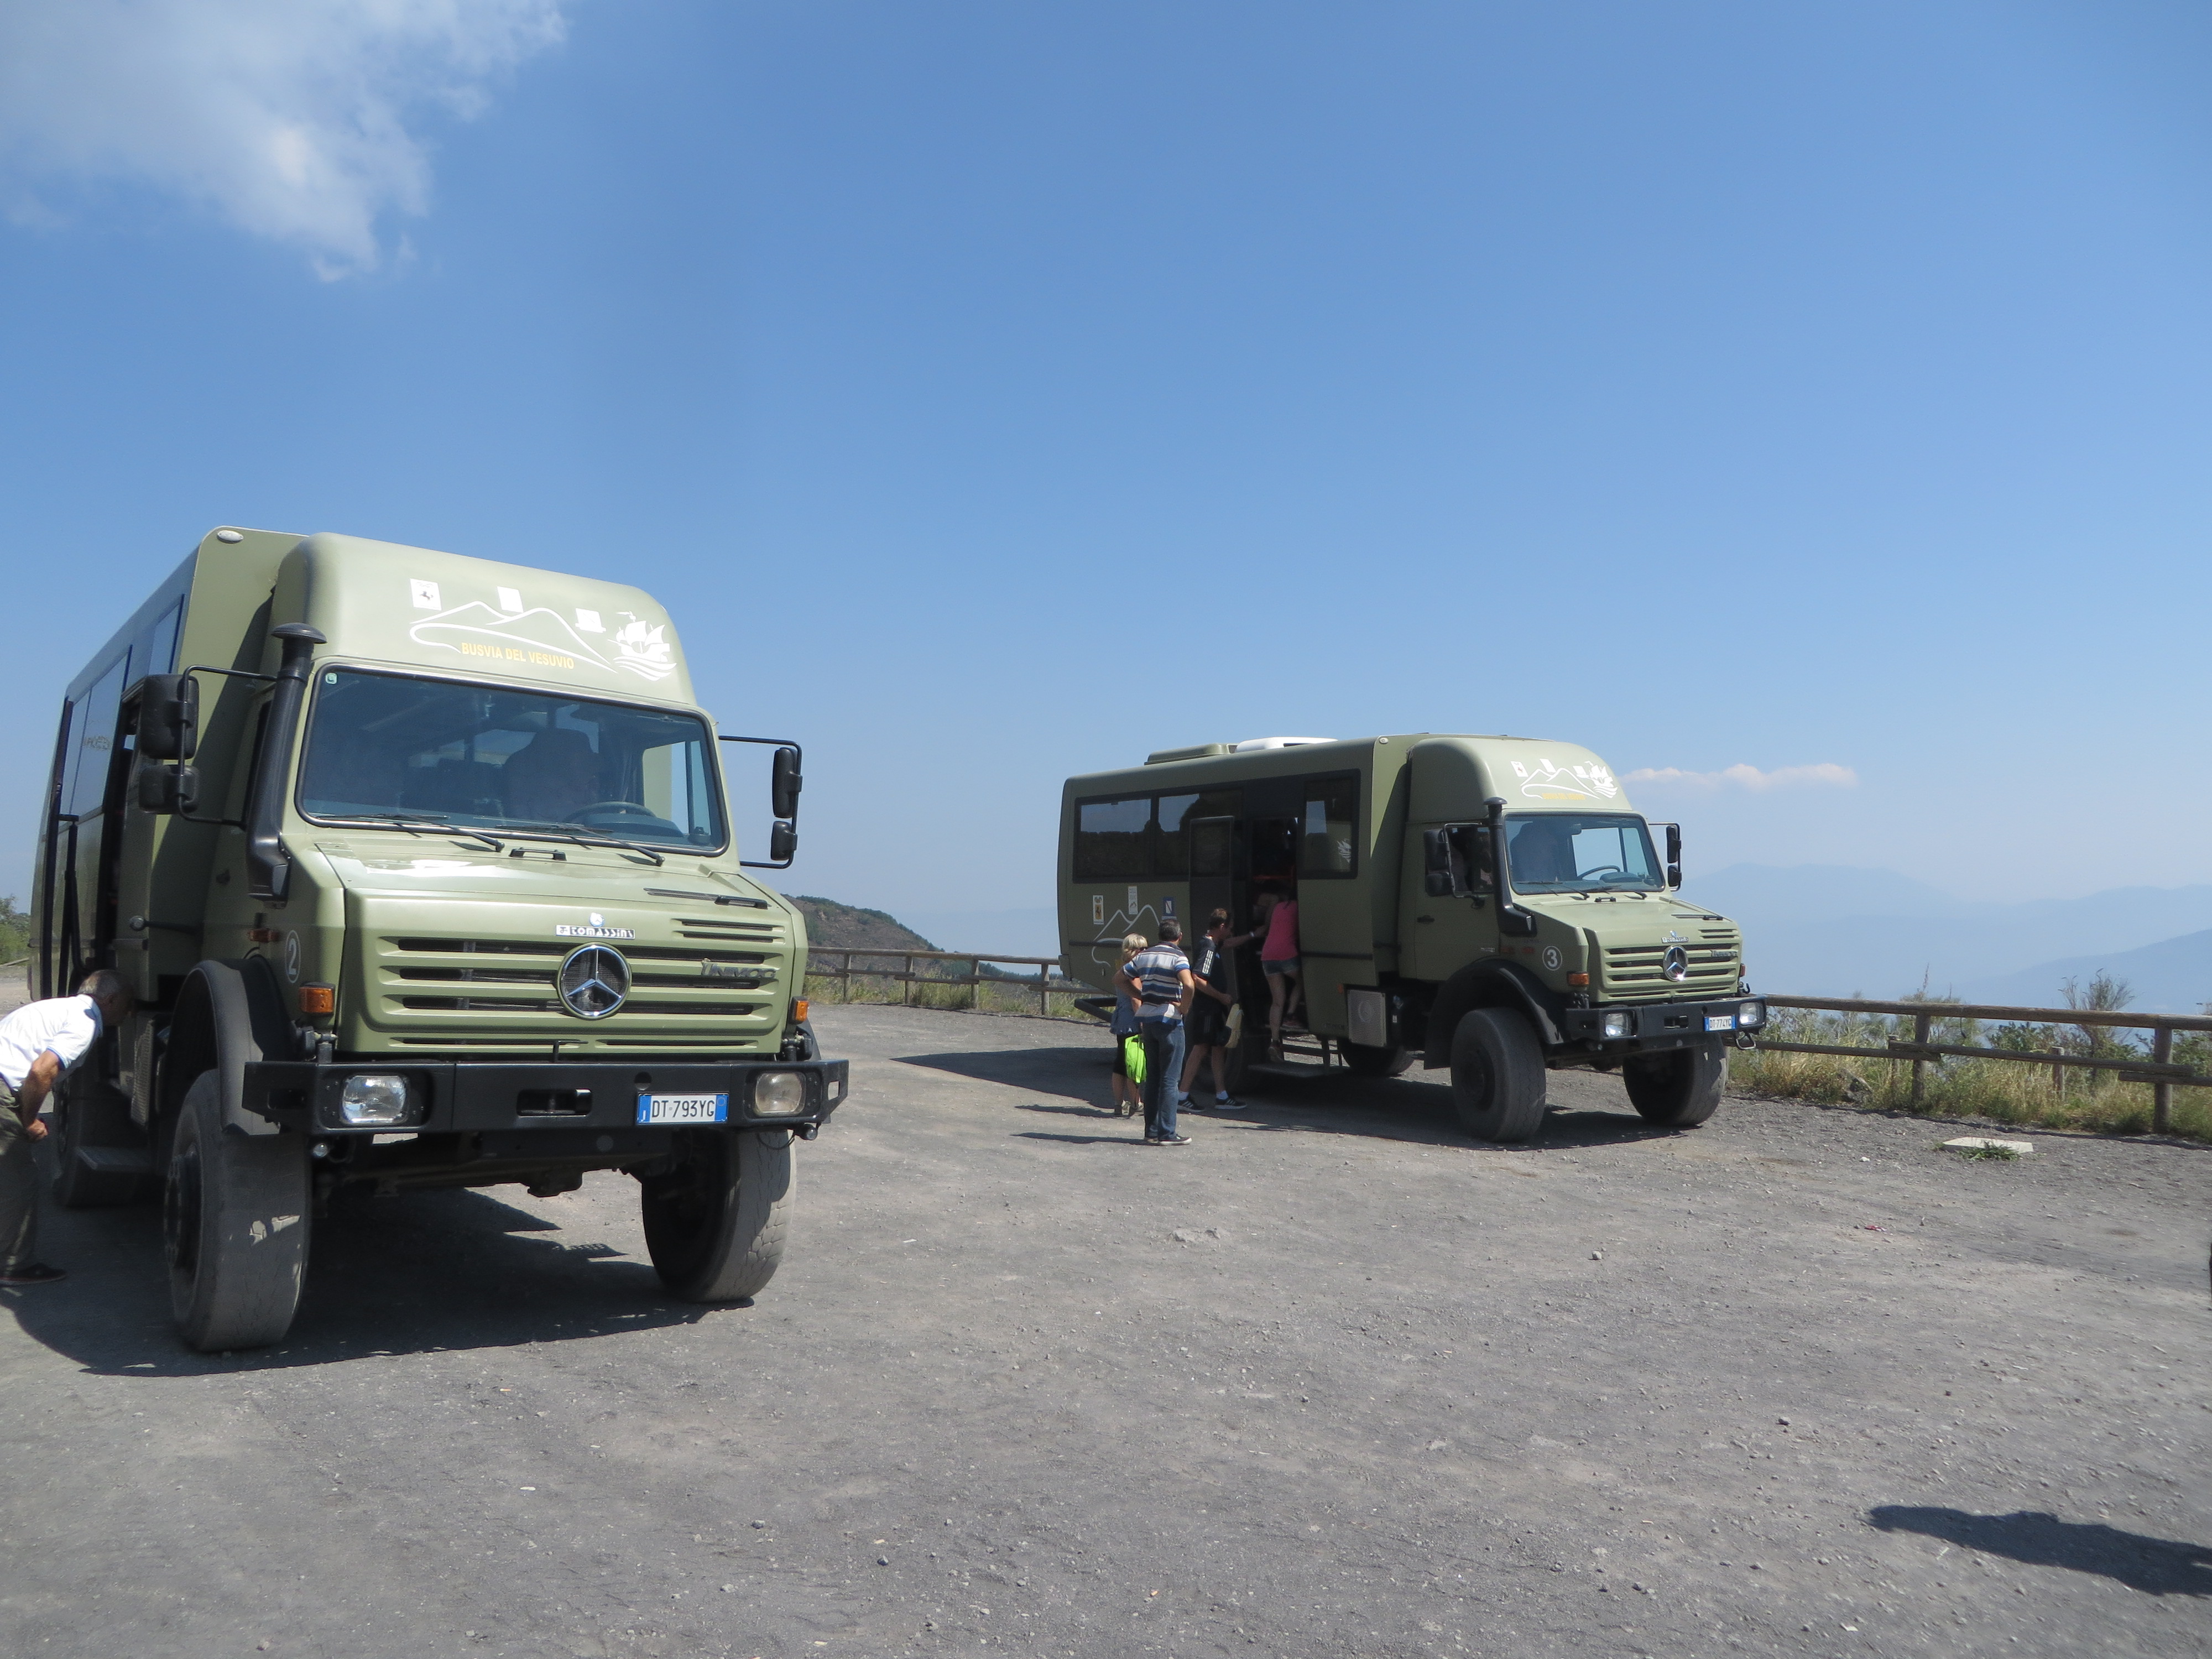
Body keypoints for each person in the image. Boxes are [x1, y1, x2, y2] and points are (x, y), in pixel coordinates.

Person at [0, 968, 135, 1286]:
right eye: (128, 1003)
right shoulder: (85, 1022)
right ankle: (12, 1266)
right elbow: (41, 1072)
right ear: (111, 999)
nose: (131, 1012)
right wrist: (28, 1120)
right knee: (17, 1181)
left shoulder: (56, 1008)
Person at [1118, 919, 1195, 1145]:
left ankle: (1151, 1131)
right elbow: (1189, 985)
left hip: (1148, 1021)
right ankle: (1168, 1133)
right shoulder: (1178, 957)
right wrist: (1184, 1008)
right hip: (1170, 1021)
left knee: (1152, 1078)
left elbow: (1119, 978)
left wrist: (1141, 996)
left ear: (1160, 935)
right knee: (1171, 1080)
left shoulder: (1144, 956)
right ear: (1179, 937)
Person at [1179, 910, 1244, 1112]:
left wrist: (1254, 936)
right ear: (1221, 927)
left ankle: (1222, 1095)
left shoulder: (1214, 944)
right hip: (1206, 1008)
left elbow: (1231, 943)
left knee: (1218, 1048)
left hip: (1213, 1008)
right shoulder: (1208, 946)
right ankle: (1182, 1095)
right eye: (1230, 929)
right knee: (1201, 1048)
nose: (1231, 933)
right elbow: (1198, 979)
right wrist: (1221, 997)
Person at [500, 727, 604, 823]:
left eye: (587, 761)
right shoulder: (533, 791)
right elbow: (524, 826)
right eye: (580, 761)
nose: (591, 769)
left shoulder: (597, 789)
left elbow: (609, 828)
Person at [1256, 883, 1302, 1059]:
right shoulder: (1299, 907)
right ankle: (1291, 1016)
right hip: (1287, 954)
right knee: (1301, 981)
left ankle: (1275, 1041)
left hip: (1267, 956)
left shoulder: (1277, 907)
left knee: (1277, 1002)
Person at [1107, 932, 1146, 1117]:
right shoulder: (1134, 971)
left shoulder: (1123, 968)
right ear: (1133, 950)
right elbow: (1136, 999)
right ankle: (1136, 1103)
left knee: (1121, 1063)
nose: (1146, 952)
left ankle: (1118, 1103)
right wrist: (1143, 1023)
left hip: (1121, 1020)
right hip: (1131, 1021)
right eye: (1142, 948)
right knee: (1133, 1063)